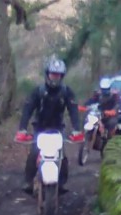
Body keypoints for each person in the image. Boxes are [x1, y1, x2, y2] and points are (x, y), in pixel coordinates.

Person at [15, 56, 83, 195]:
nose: (55, 78)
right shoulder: (38, 91)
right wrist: (22, 128)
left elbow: (73, 110)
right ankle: (28, 182)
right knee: (34, 153)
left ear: (62, 76)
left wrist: (77, 129)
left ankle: (61, 183)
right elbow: (27, 109)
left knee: (62, 156)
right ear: (47, 74)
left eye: (58, 75)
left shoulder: (67, 92)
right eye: (53, 74)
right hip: (40, 129)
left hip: (57, 129)